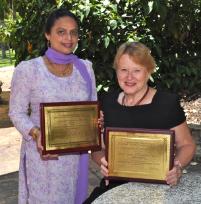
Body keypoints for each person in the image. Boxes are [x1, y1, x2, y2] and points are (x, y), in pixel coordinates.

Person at [84, 41, 196, 203]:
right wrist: (104, 162)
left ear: (148, 71)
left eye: (137, 70)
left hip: (158, 190)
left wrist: (176, 167)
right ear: (116, 71)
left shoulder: (166, 103)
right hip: (115, 189)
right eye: (123, 70)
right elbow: (98, 148)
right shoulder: (107, 103)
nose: (129, 77)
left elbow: (187, 144)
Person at [9, 8, 97, 204]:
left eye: (74, 32)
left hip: (74, 157)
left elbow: (92, 109)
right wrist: (36, 132)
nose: (69, 38)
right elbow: (16, 112)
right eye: (61, 31)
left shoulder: (85, 69)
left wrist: (96, 122)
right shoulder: (29, 69)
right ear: (48, 35)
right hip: (42, 158)